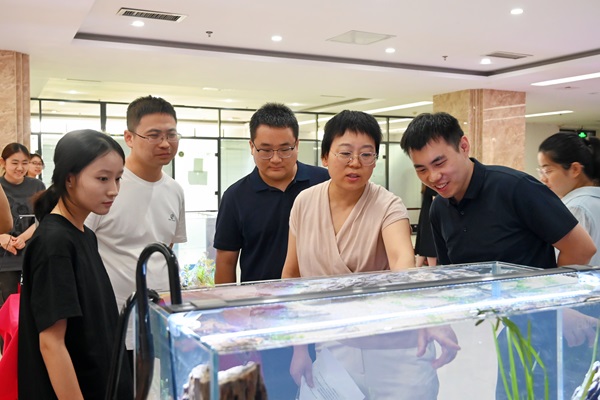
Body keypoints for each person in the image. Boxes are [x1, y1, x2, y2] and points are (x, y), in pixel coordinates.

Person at [400, 112, 597, 399]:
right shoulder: (439, 209)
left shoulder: (514, 187)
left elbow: (581, 248)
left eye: (439, 163)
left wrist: (555, 307)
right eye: (421, 169)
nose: (433, 177)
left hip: (551, 331)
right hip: (495, 336)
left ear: (463, 146)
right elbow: (453, 276)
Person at [282, 110, 458, 399]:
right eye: (345, 153)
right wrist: (299, 348)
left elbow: (403, 264)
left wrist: (429, 316)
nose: (356, 163)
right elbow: (292, 277)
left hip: (397, 352)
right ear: (325, 156)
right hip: (335, 348)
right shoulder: (304, 202)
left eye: (367, 154)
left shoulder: (388, 205)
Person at [18, 130, 132, 399]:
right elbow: (51, 343)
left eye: (118, 178)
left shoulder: (84, 235)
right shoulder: (54, 243)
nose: (114, 190)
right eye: (102, 178)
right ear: (69, 178)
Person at [85, 95, 187, 358]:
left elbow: (165, 248)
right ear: (129, 138)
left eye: (171, 134)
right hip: (114, 322)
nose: (165, 143)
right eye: (153, 135)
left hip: (161, 319)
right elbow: (81, 250)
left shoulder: (174, 190)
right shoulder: (106, 186)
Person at [213, 102, 330, 284]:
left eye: (285, 149)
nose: (275, 159)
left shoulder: (324, 182)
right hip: (260, 297)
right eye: (266, 150)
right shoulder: (235, 197)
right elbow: (226, 262)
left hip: (317, 292)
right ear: (252, 146)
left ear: (297, 145)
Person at [538, 132, 600, 266]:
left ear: (575, 169)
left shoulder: (576, 208)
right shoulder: (592, 200)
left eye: (548, 171)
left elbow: (570, 260)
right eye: (541, 172)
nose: (543, 179)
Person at [0, 143, 45, 307]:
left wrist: (23, 237)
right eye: (14, 163)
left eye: (25, 163)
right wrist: (1, 237)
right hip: (4, 260)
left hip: (31, 255)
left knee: (32, 306)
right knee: (6, 309)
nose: (20, 168)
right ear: (3, 162)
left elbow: (43, 217)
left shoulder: (37, 186)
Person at [415, 183, 437, 267]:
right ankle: (432, 269)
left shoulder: (427, 185)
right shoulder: (432, 185)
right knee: (430, 244)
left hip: (425, 216)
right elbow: (435, 201)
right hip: (431, 216)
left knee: (424, 244)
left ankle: (416, 268)